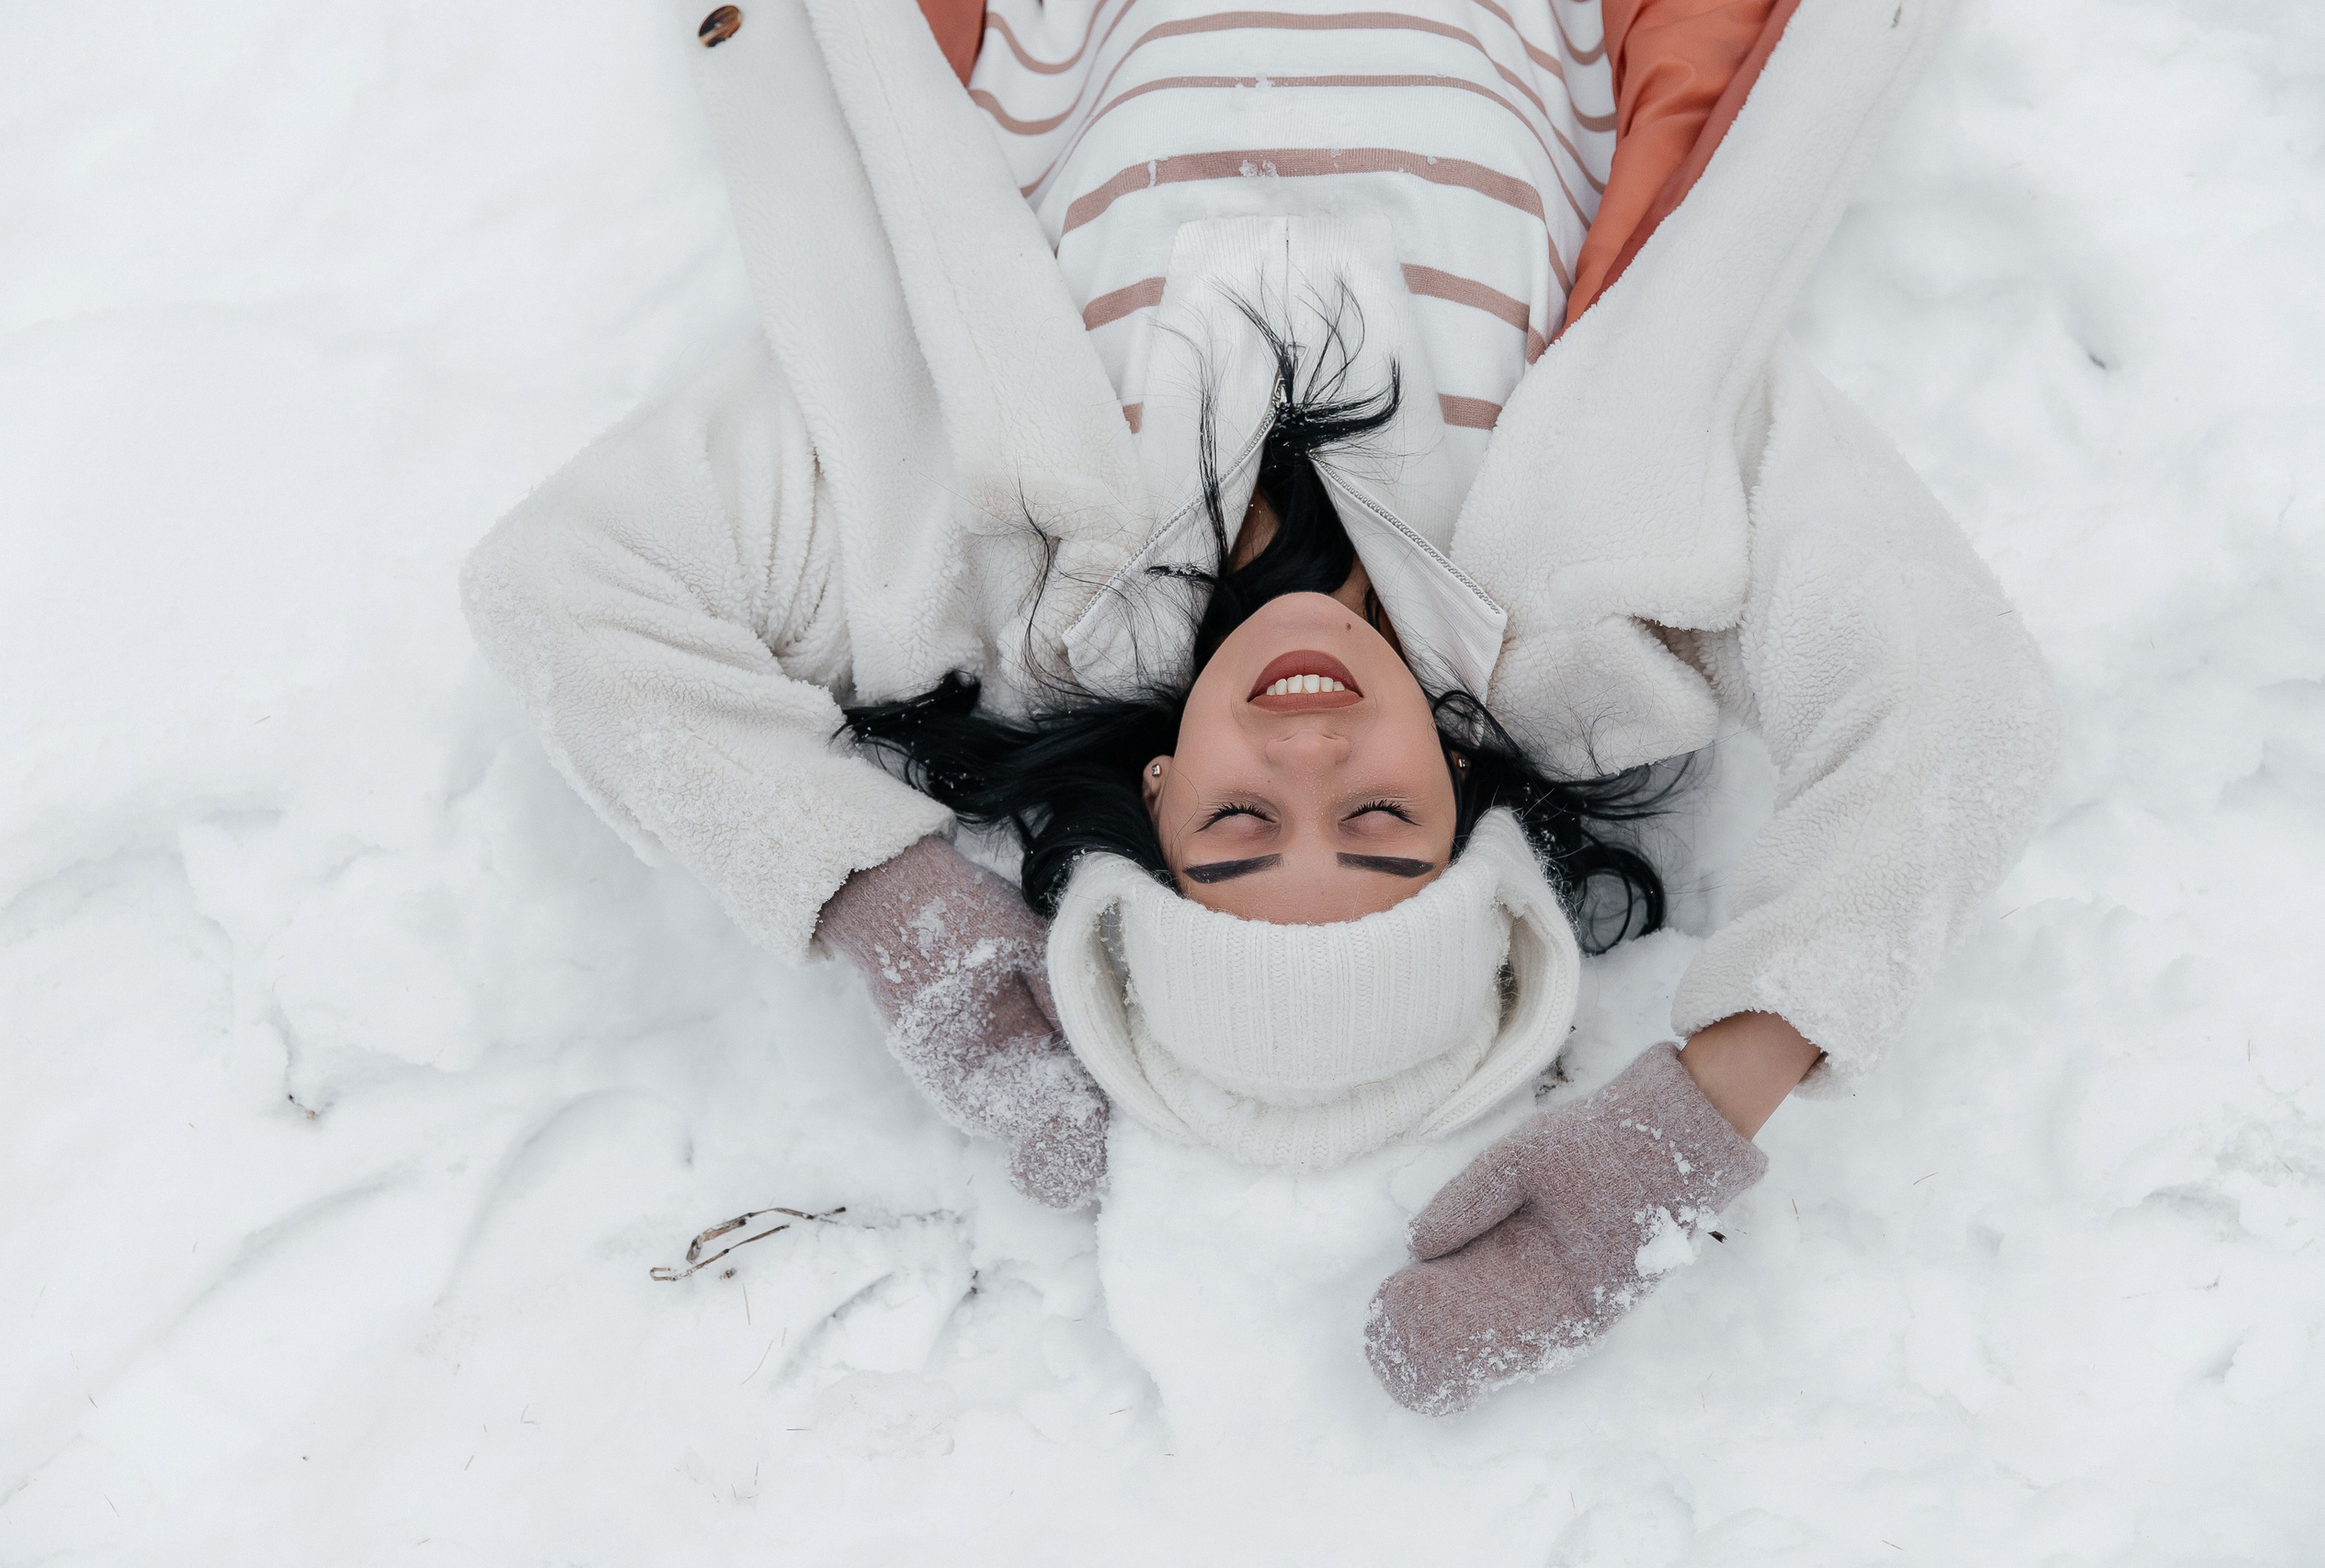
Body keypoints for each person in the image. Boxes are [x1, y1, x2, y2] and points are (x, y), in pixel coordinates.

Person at [462, 0, 2054, 1415]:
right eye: (1379, 820)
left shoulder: (959, 557)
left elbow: (562, 586)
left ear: (1153, 800)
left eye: (1239, 823)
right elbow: (1949, 706)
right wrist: (1700, 1115)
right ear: (1471, 813)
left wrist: (895, 911)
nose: (1310, 749)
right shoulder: (1607, 570)